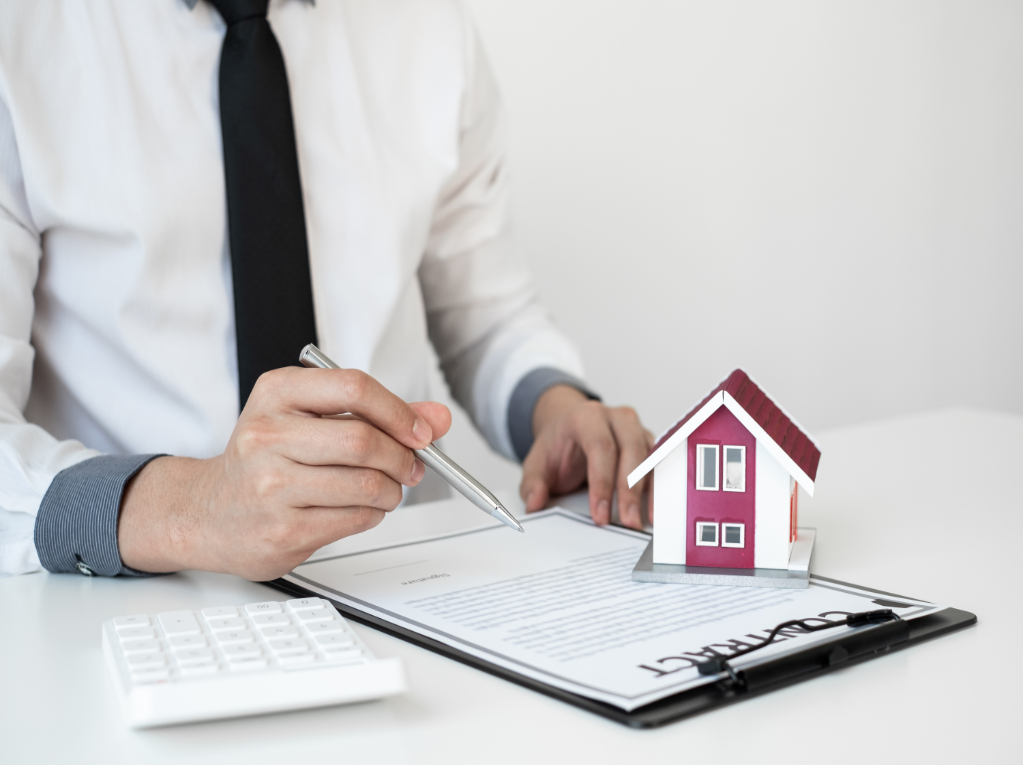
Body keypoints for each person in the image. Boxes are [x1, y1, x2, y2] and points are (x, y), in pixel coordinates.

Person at [0, 0, 651, 580]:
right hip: (134, 594)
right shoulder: (22, 33)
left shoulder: (426, 23)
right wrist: (194, 508)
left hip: (406, 576)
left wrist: (555, 407)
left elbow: (486, 314)